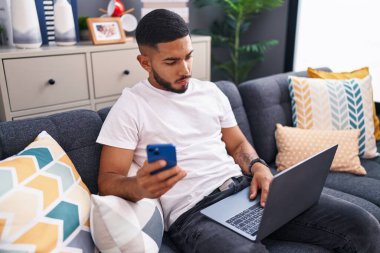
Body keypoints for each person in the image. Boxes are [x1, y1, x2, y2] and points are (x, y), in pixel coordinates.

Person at [96, 9, 380, 253]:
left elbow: (237, 144)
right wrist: (138, 187)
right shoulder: (130, 106)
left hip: (247, 190)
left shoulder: (210, 92)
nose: (185, 69)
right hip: (194, 215)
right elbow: (108, 180)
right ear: (145, 62)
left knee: (363, 225)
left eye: (188, 56)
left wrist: (257, 166)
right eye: (171, 62)